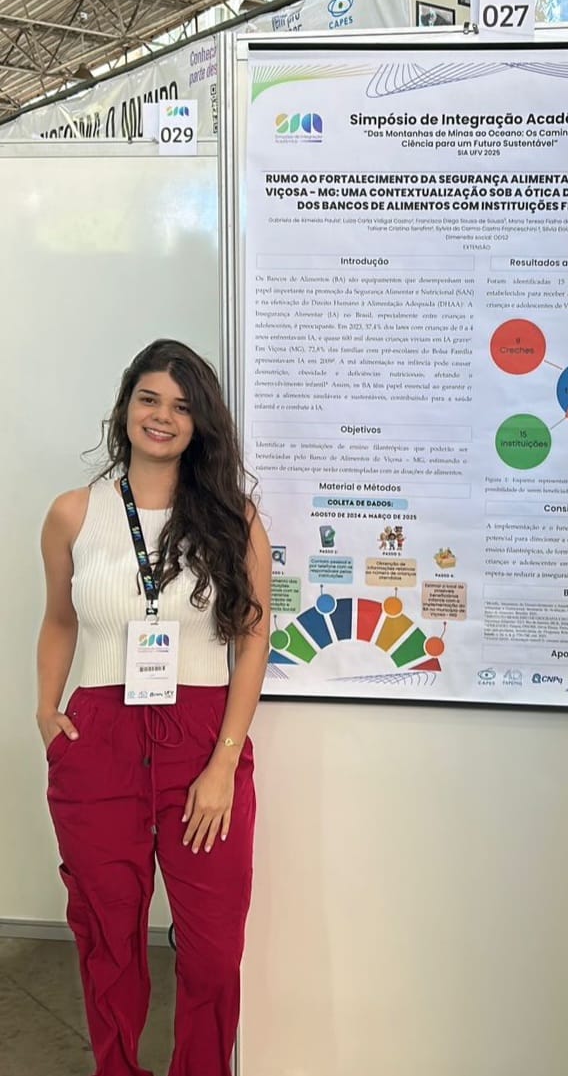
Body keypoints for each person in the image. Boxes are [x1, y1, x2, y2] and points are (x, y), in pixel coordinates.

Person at [36, 339, 271, 1076]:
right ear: (126, 407)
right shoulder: (74, 513)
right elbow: (60, 620)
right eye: (149, 398)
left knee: (213, 947)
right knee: (107, 936)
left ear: (201, 423)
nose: (162, 416)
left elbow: (253, 638)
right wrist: (46, 713)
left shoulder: (233, 519)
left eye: (181, 405)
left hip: (202, 740)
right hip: (99, 736)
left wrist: (223, 763)